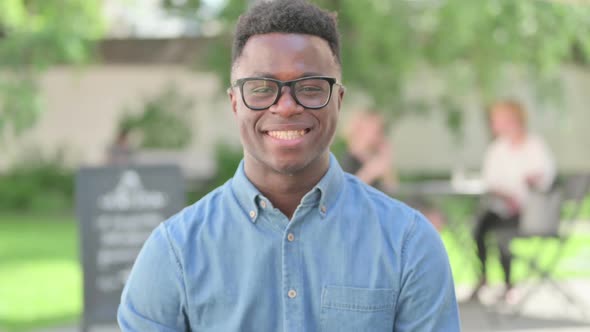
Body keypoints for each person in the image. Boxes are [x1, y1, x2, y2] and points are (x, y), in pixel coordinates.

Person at [118, 1, 460, 330]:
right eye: (262, 88)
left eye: (310, 88)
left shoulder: (407, 244)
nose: (285, 106)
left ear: (338, 100)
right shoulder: (174, 251)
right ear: (235, 102)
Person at [470, 99, 556, 301]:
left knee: (502, 232)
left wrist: (528, 187)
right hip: (502, 207)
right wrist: (506, 196)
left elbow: (545, 178)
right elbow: (491, 182)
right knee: (481, 226)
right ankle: (484, 277)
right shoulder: (496, 149)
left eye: (497, 119)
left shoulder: (535, 145)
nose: (494, 124)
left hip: (531, 212)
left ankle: (508, 282)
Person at [340, 110, 398, 193]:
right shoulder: (349, 160)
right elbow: (347, 192)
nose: (379, 134)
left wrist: (386, 159)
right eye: (374, 130)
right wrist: (369, 172)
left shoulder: (373, 158)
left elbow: (392, 189)